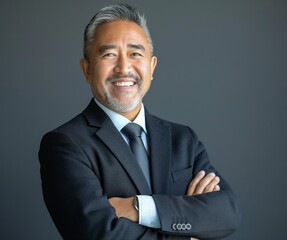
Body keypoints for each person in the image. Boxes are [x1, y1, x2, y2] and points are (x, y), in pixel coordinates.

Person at [39, 4, 241, 240]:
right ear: (87, 70)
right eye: (109, 55)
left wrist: (138, 207)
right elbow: (98, 235)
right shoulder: (65, 144)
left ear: (152, 66)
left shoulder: (183, 139)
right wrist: (190, 233)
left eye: (135, 54)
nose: (124, 68)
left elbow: (227, 213)